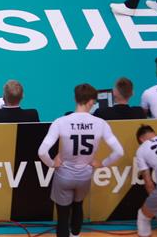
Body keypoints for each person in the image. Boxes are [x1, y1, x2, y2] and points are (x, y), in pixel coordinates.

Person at [38, 83, 123, 237]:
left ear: (75, 98)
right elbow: (119, 151)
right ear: (91, 101)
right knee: (78, 206)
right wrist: (102, 164)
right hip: (84, 175)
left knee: (63, 216)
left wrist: (52, 163)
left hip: (64, 175)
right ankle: (76, 235)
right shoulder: (101, 124)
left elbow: (42, 151)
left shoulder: (60, 122)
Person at [134, 124, 157, 237]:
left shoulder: (141, 149)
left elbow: (148, 183)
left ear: (141, 139)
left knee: (143, 217)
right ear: (154, 133)